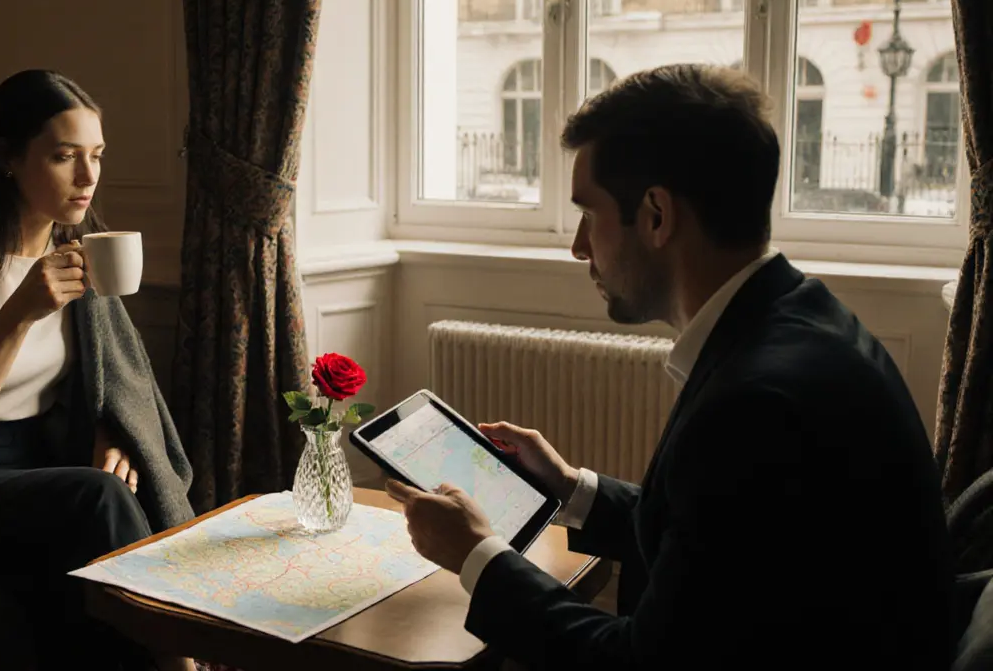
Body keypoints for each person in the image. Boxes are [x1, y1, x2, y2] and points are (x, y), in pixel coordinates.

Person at [386, 64, 954, 669]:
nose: (579, 246)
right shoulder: (799, 320)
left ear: (657, 215)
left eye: (589, 213)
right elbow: (718, 542)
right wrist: (570, 487)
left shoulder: (756, 403)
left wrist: (477, 554)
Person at [0, 69, 196, 670]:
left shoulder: (81, 251)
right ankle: (183, 664)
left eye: (97, 156)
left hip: (54, 457)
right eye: (64, 156)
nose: (88, 177)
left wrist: (114, 432)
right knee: (95, 500)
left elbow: (114, 382)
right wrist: (19, 314)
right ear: (7, 157)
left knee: (109, 492)